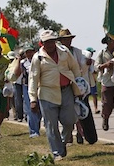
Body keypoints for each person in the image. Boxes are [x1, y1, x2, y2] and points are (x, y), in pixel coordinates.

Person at [29, 30, 81, 160]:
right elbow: (33, 79)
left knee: (69, 121)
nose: (50, 44)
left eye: (52, 41)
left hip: (66, 90)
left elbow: (74, 67)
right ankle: (57, 152)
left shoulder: (64, 51)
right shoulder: (38, 58)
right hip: (47, 93)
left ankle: (62, 143)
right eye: (47, 42)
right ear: (42, 43)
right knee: (51, 125)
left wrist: (80, 85)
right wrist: (33, 99)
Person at [57, 28, 98, 145]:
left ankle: (87, 136)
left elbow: (82, 69)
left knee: (83, 111)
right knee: (68, 113)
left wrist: (87, 64)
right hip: (65, 85)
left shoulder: (77, 52)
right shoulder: (58, 53)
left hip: (79, 86)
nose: (68, 41)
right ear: (61, 41)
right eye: (65, 39)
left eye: (69, 39)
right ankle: (68, 136)